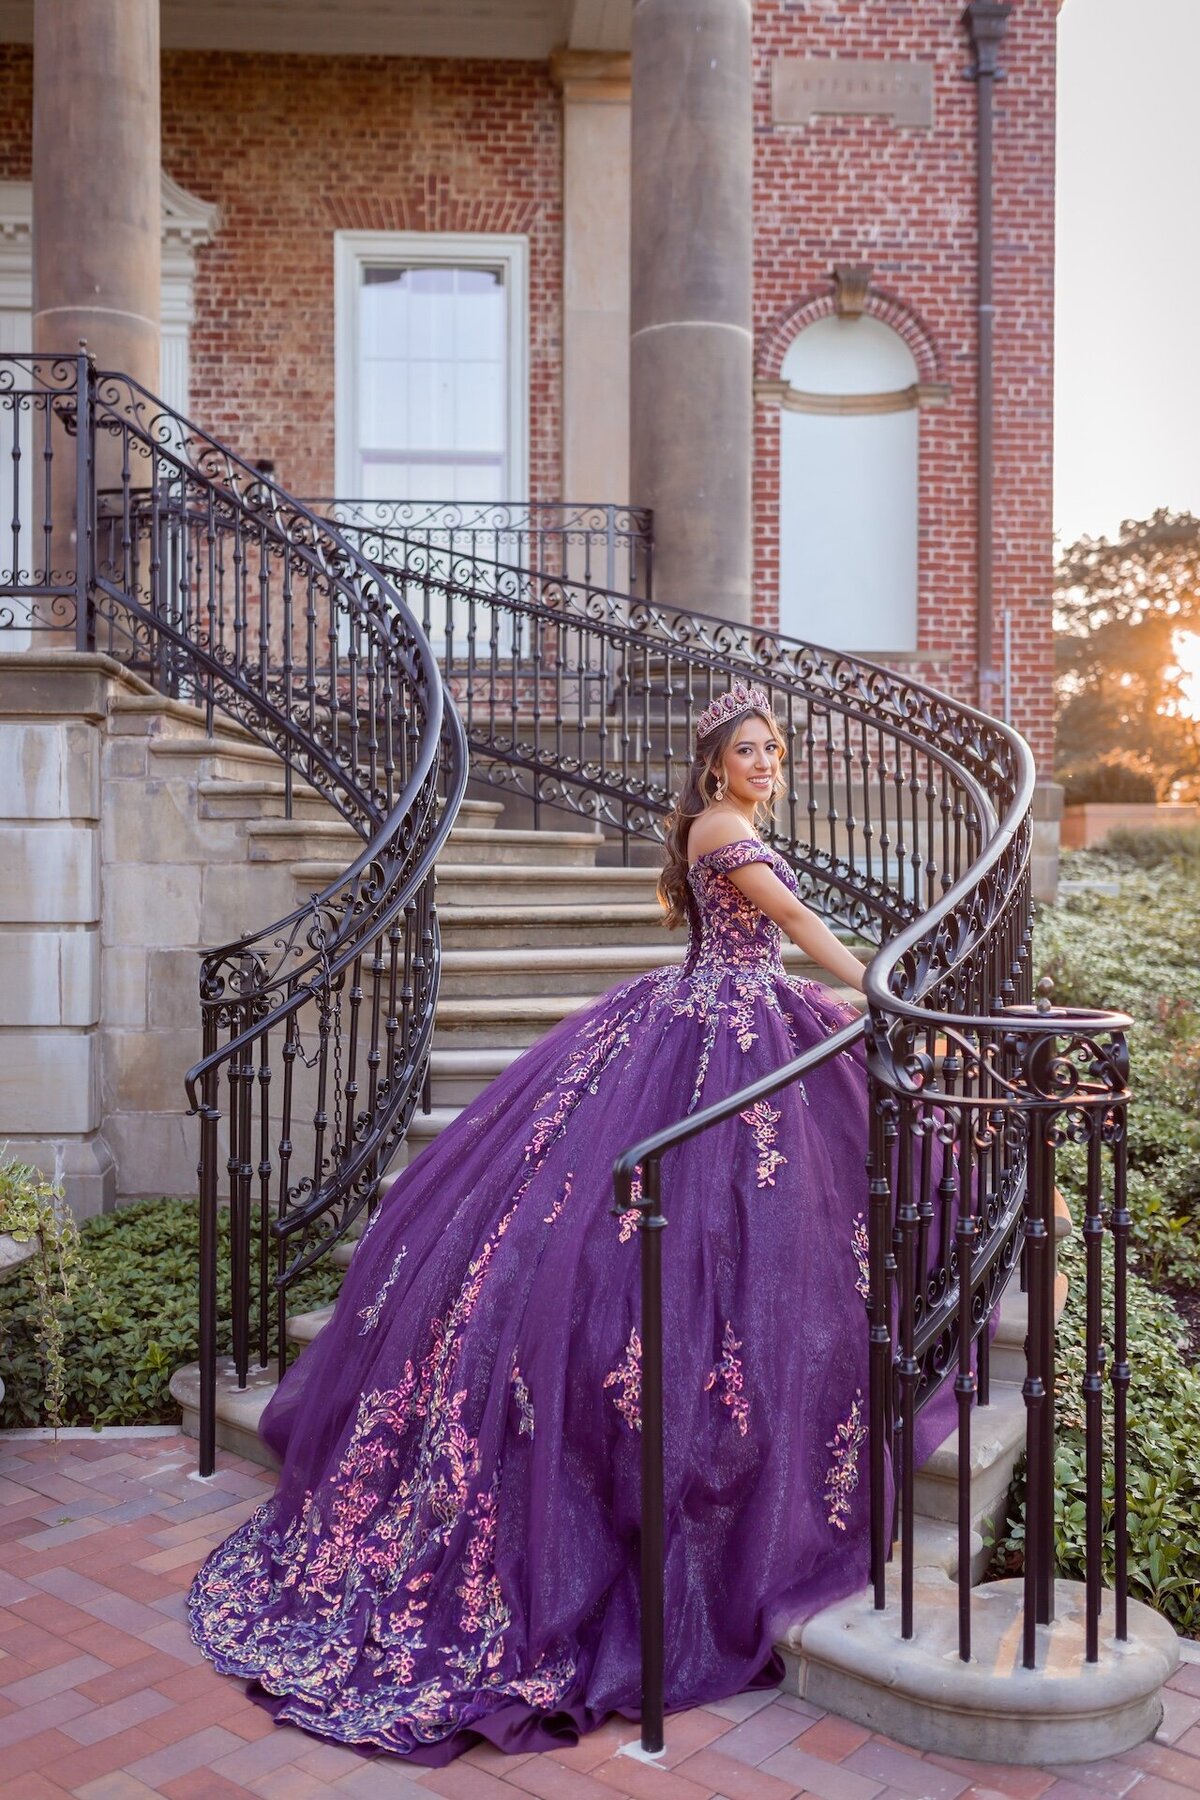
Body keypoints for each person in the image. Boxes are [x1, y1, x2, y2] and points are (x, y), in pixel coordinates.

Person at [186, 682, 939, 1762]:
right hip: (718, 1032)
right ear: (714, 763)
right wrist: (881, 986)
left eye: (774, 748)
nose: (765, 763)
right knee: (695, 1230)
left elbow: (773, 939)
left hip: (736, 1017)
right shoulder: (725, 830)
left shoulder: (724, 826)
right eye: (747, 750)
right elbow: (801, 925)